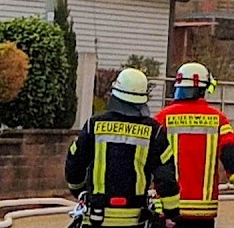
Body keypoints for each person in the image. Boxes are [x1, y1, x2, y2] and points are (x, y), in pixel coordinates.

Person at [65, 68, 181, 228]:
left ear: (115, 94)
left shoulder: (94, 124)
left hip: (96, 219)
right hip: (136, 219)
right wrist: (172, 214)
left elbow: (74, 163)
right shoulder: (154, 131)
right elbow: (166, 178)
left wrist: (79, 191)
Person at [154, 62, 234, 226]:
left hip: (169, 209)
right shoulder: (218, 119)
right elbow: (231, 156)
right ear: (203, 89)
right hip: (203, 211)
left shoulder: (161, 119)